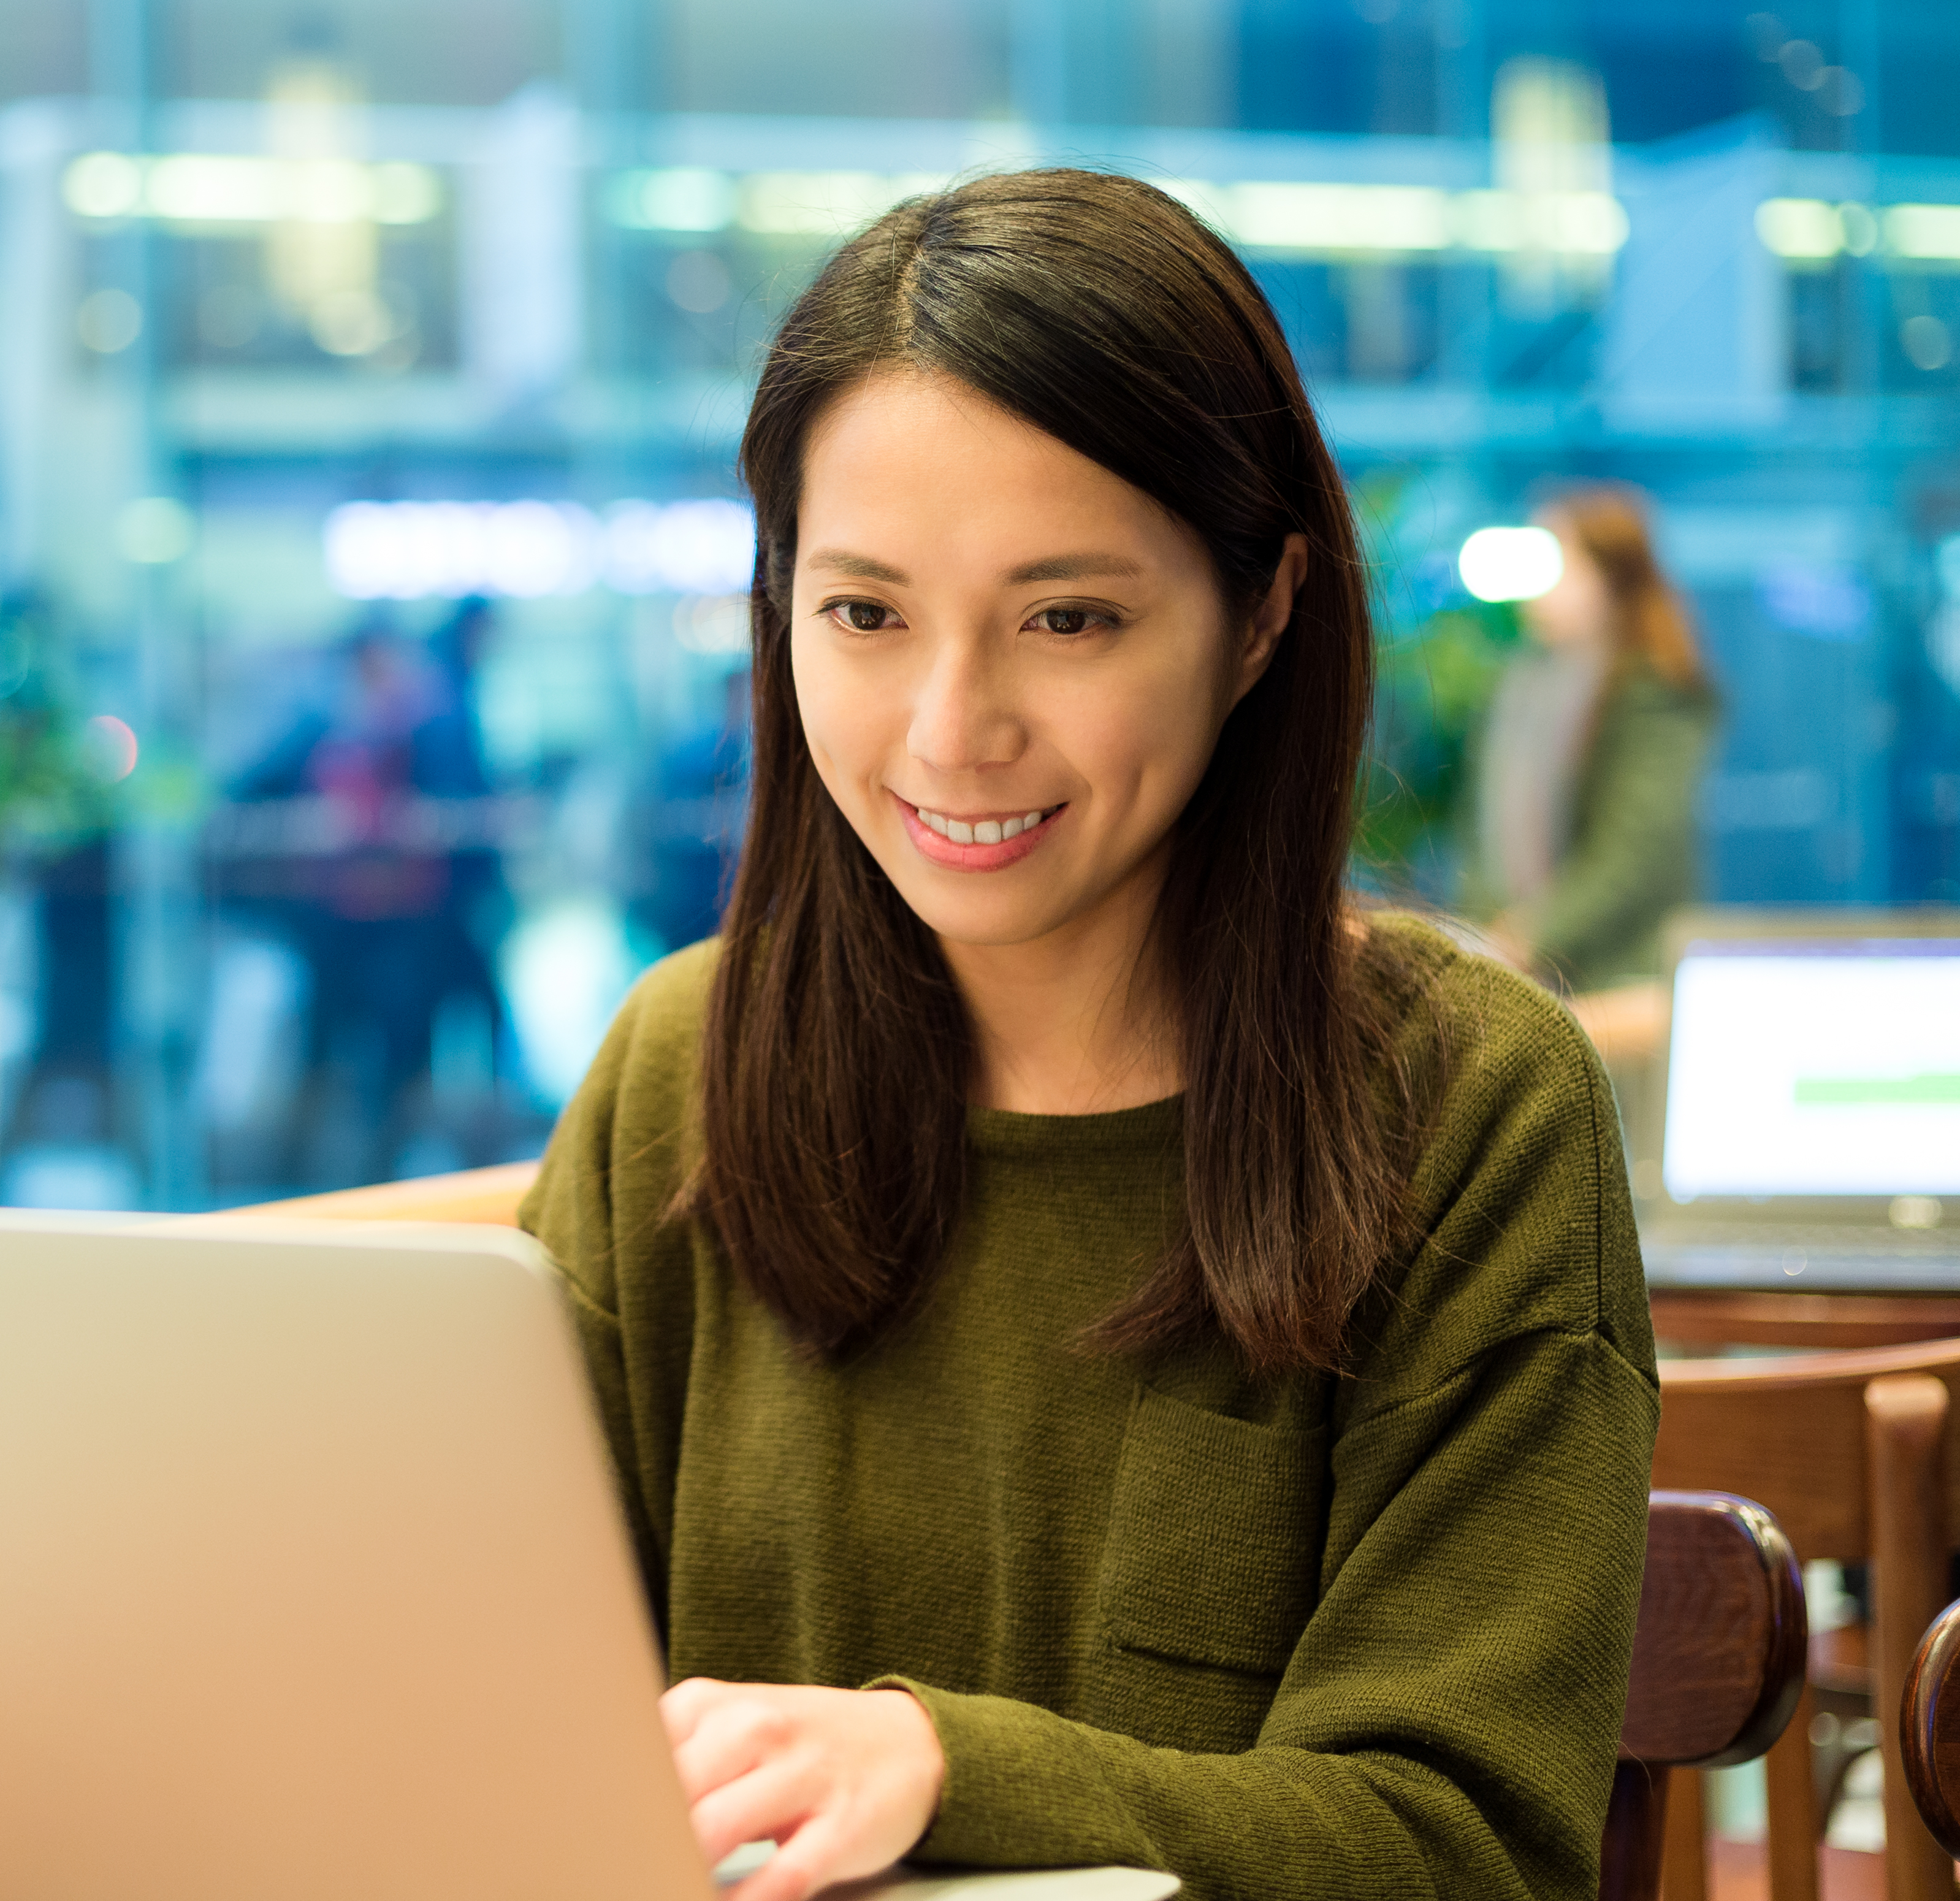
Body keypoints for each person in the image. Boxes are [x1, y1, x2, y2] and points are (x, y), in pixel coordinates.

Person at [519, 170, 1655, 1901]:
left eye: (1069, 618)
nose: (951, 727)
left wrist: (947, 1767)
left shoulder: (1467, 1105)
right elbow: (481, 1723)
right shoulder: (681, 1068)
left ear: (1263, 611)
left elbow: (1461, 1843)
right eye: (864, 613)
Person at [1462, 485, 1719, 992]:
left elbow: (1636, 853)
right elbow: (1480, 834)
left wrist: (1533, 936)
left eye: (1556, 560)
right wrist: (1485, 941)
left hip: (1617, 976)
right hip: (1517, 973)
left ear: (1609, 576)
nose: (1537, 584)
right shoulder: (1520, 685)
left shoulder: (1652, 688)